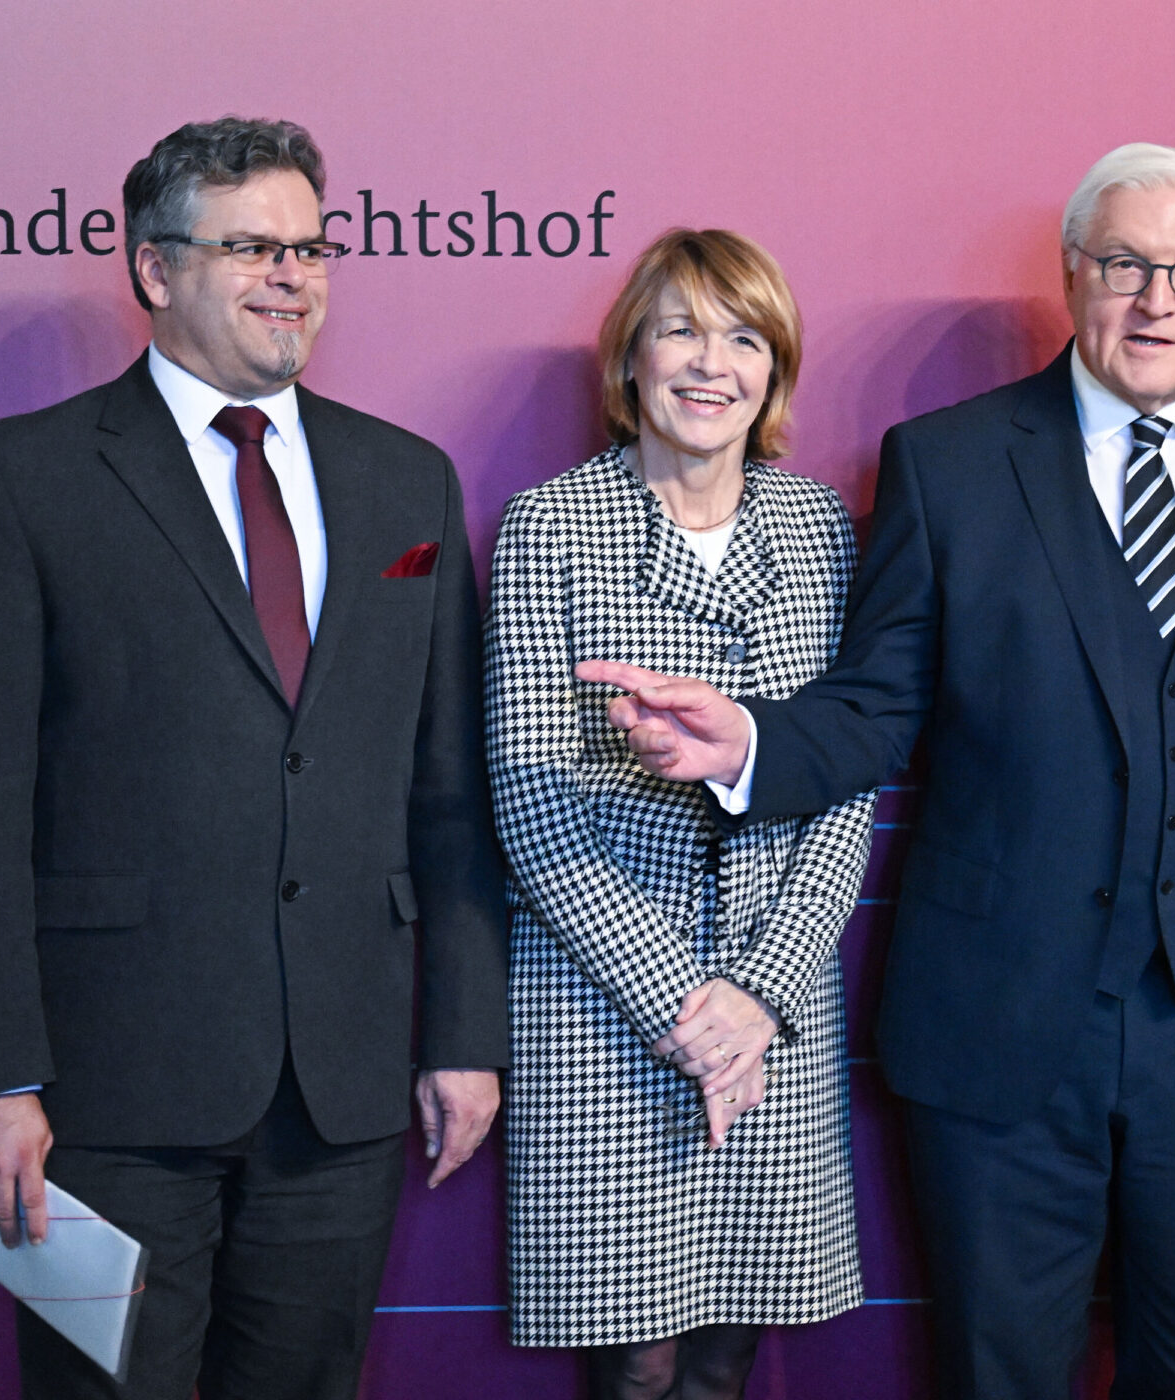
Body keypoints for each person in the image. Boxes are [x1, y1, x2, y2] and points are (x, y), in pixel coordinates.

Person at [578, 144, 1175, 1399]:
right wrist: (750, 742)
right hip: (1000, 1018)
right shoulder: (948, 459)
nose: (1156, 300)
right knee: (997, 1373)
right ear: (1074, 273)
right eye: (1125, 263)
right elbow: (878, 703)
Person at [0, 117, 508, 1400]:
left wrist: (460, 1031)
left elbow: (447, 793)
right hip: (97, 1098)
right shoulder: (19, 478)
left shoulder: (405, 481)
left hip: (337, 1089)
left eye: (308, 245)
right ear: (154, 269)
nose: (291, 273)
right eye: (250, 246)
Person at [486, 227, 872, 1400]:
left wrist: (759, 995)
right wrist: (684, 1008)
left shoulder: (818, 531)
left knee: (729, 1344)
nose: (713, 364)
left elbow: (847, 775)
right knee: (637, 1361)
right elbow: (530, 796)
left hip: (777, 995)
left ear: (777, 371)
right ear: (631, 363)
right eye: (682, 331)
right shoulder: (548, 526)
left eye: (745, 337)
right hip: (604, 1002)